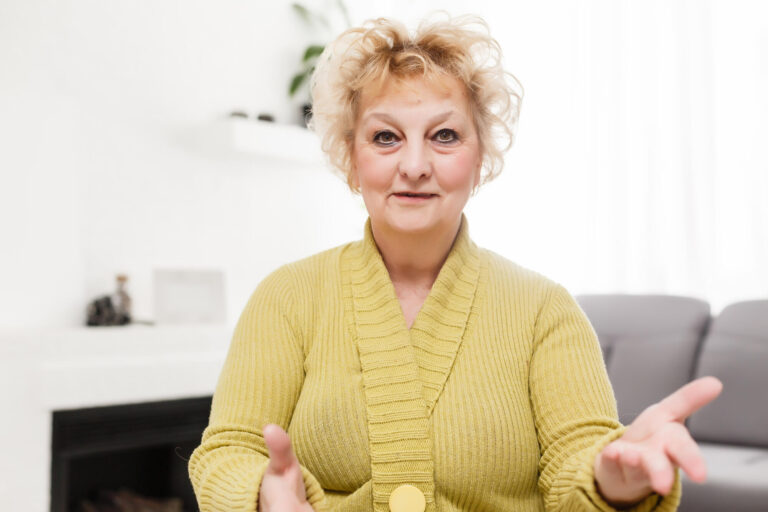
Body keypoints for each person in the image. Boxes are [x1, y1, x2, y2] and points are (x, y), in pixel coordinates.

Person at [188, 13, 722, 512]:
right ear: (352, 159)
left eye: (444, 136)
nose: (415, 166)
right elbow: (228, 450)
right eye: (385, 137)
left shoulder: (544, 309)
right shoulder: (286, 297)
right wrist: (261, 492)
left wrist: (613, 481)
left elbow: (578, 457)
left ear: (481, 156)